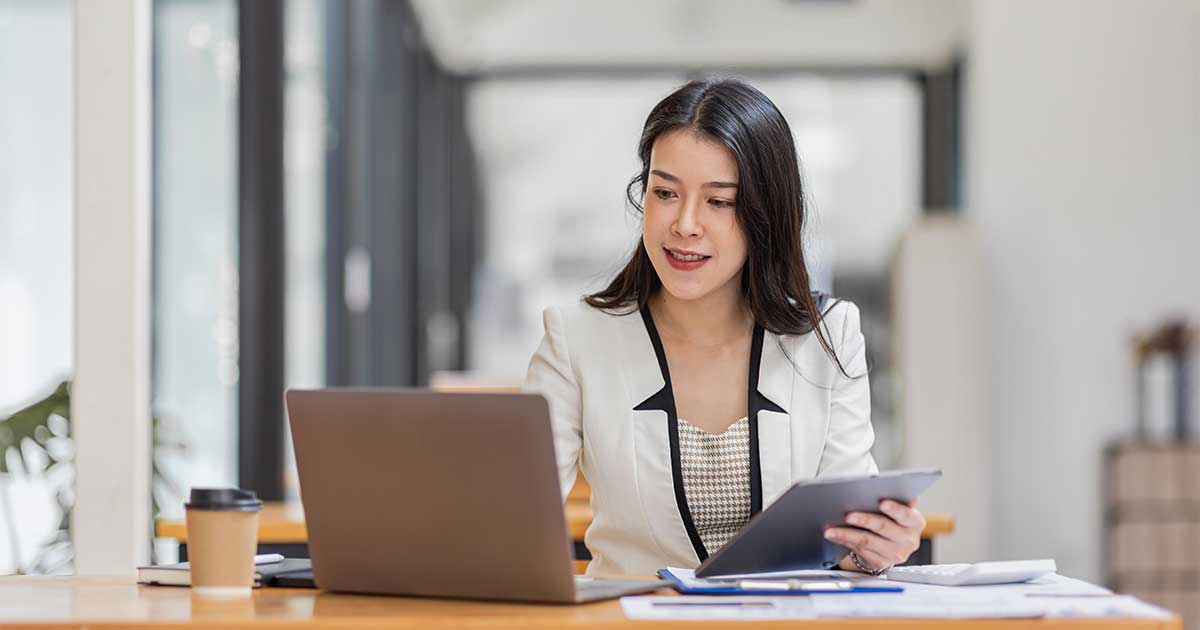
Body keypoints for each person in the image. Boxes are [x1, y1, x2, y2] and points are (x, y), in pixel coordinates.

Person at [523, 78, 924, 576]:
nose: (685, 224)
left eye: (719, 201)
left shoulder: (829, 335)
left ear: (765, 214)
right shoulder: (576, 340)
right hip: (628, 613)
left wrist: (873, 547)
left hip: (786, 612)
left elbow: (845, 537)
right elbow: (514, 516)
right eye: (665, 193)